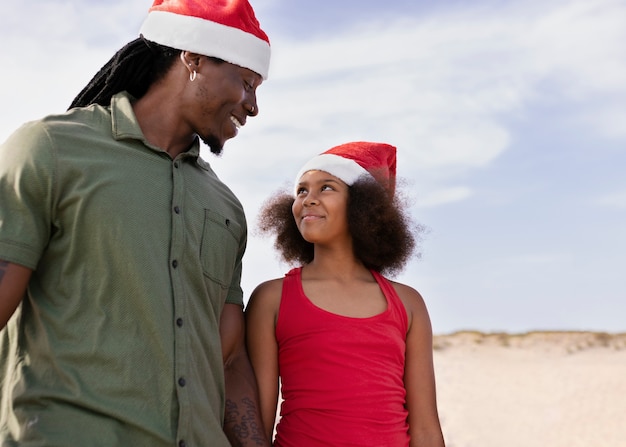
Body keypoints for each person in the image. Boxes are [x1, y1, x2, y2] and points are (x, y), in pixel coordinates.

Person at [0, 0, 271, 445]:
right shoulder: (51, 149)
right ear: (195, 58)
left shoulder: (226, 207)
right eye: (246, 82)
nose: (254, 106)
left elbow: (229, 358)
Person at [245, 142, 446, 446]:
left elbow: (426, 430)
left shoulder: (408, 303)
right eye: (301, 191)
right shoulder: (271, 298)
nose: (308, 199)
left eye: (326, 188)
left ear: (363, 206)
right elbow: (257, 423)